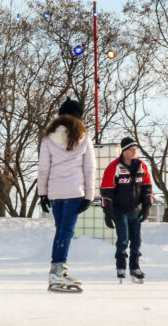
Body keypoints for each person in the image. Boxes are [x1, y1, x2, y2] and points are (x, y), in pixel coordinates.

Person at [37, 98, 96, 293]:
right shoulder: (84, 137)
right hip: (74, 191)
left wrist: (42, 194)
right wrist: (89, 196)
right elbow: (90, 169)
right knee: (66, 231)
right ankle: (57, 270)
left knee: (61, 230)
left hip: (55, 192)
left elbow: (43, 168)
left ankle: (58, 270)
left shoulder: (48, 138)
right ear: (79, 116)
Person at [100, 136, 154, 283]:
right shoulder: (115, 167)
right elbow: (106, 189)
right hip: (119, 209)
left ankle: (135, 267)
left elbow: (147, 187)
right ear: (124, 151)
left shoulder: (141, 166)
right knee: (123, 239)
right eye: (131, 149)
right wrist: (107, 211)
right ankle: (121, 267)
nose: (134, 151)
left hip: (135, 209)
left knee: (136, 240)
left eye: (135, 149)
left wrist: (147, 206)